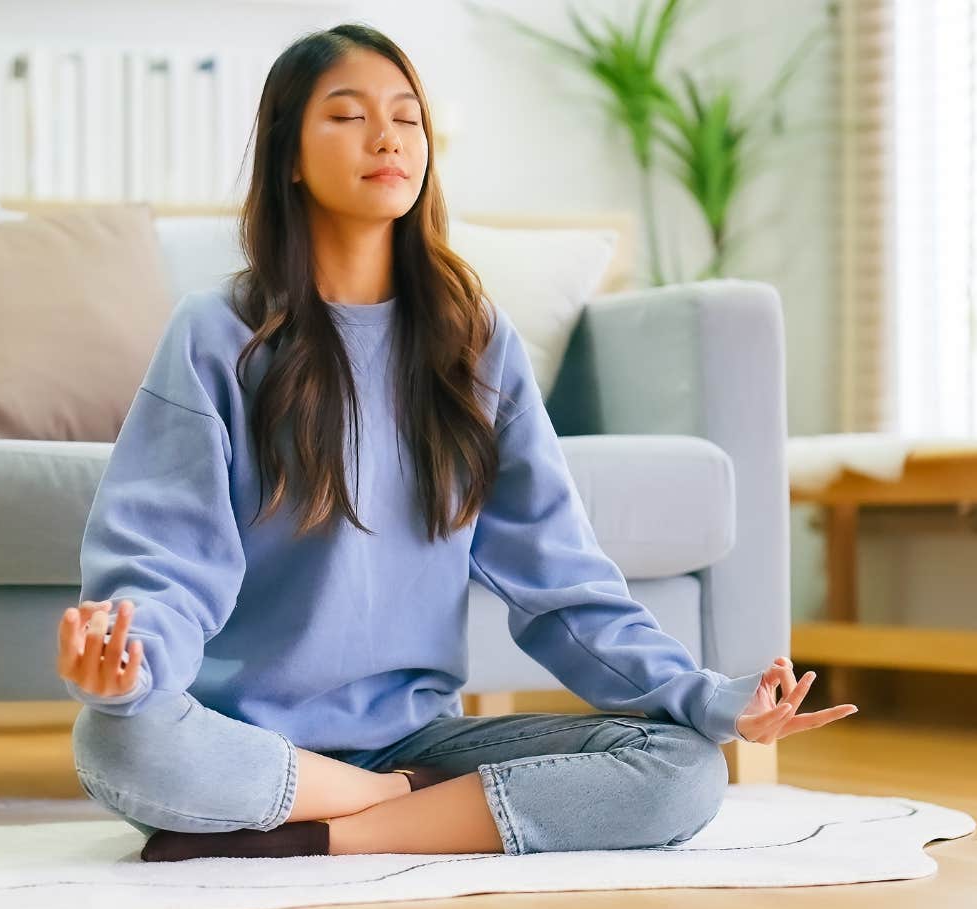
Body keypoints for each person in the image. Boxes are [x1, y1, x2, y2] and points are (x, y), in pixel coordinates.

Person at [54, 23, 856, 862]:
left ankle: (314, 837)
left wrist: (705, 697)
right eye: (348, 116)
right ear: (288, 154)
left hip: (419, 739)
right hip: (250, 741)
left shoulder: (475, 343)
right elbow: (167, 557)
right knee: (119, 741)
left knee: (684, 771)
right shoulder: (218, 335)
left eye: (407, 118)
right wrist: (132, 664)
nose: (387, 137)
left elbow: (564, 584)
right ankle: (399, 806)